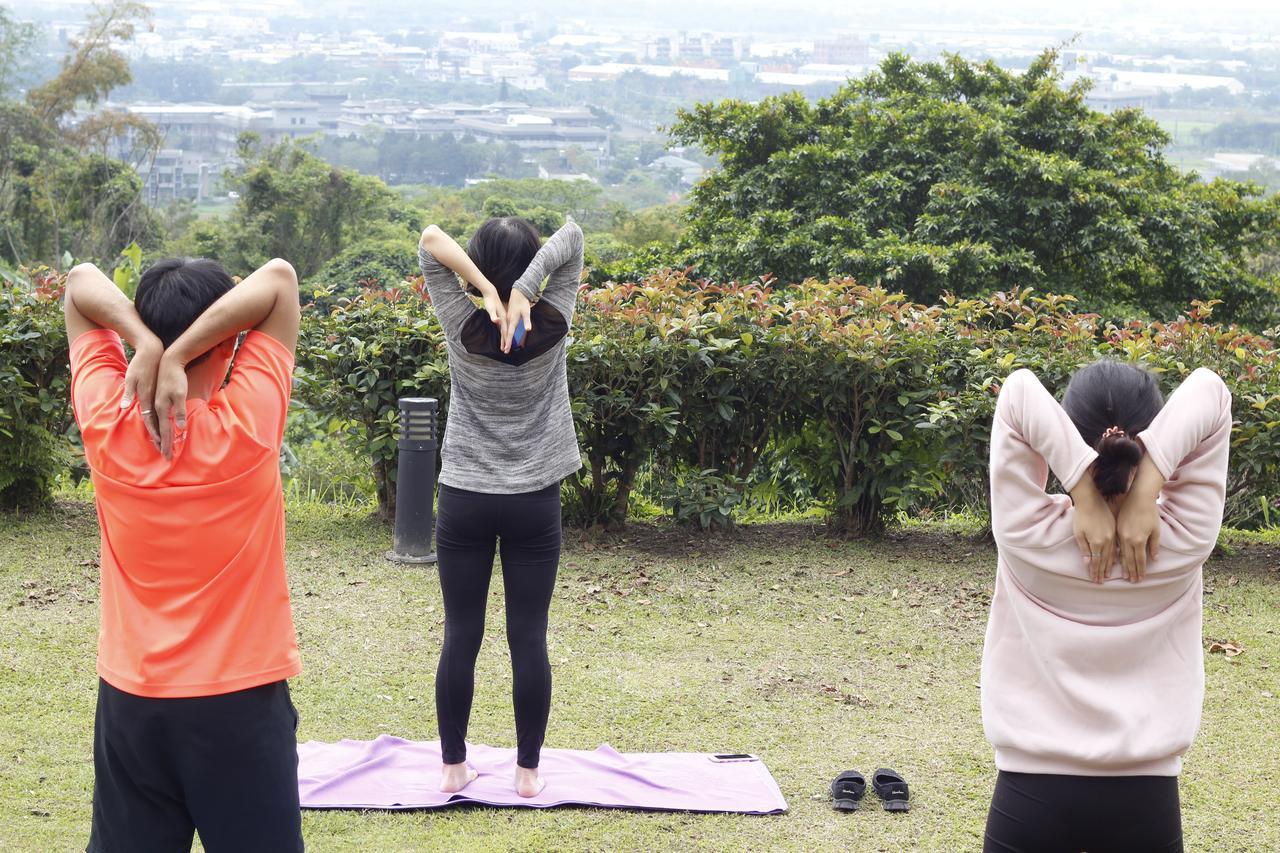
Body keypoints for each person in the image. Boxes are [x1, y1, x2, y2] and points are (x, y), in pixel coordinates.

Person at [65, 257, 305, 852]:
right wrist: (175, 353)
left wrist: (146, 343)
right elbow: (278, 279)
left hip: (132, 705)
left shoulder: (106, 425)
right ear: (227, 348)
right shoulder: (248, 430)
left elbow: (79, 284)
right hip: (239, 708)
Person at [981, 362, 1231, 853]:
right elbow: (1211, 392)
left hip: (1027, 797)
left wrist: (1080, 487)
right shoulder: (1183, 539)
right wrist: (1148, 486)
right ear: (1154, 440)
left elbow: (1018, 392)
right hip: (1147, 802)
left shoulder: (1025, 533)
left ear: (1066, 437)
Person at [416, 215, 584, 797]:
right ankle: (528, 773)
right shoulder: (554, 315)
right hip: (534, 499)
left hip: (464, 495)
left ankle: (453, 766)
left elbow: (431, 239)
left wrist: (486, 291)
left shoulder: (461, 317)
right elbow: (574, 236)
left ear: (479, 262)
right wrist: (520, 291)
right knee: (528, 635)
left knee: (461, 632)